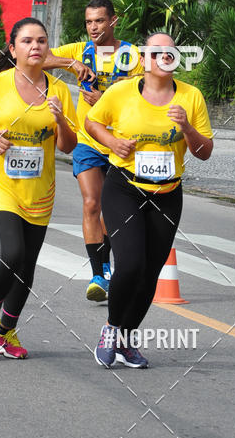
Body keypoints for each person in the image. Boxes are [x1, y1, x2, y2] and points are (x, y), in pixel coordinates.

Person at [85, 32, 213, 369]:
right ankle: (112, 329)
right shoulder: (121, 92)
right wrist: (112, 143)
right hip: (125, 188)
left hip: (168, 194)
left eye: (170, 51)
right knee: (130, 264)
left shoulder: (191, 97)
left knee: (150, 274)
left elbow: (204, 152)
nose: (164, 56)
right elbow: (92, 121)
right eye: (156, 52)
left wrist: (186, 127)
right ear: (144, 60)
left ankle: (127, 340)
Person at [0, 17, 78, 359]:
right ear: (13, 48)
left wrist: (61, 120)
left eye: (41, 40)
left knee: (26, 268)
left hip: (39, 192)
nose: (35, 46)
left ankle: (8, 331)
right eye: (27, 41)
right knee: (11, 253)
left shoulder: (60, 91)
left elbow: (68, 145)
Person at [43, 0, 142, 302]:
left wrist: (104, 102)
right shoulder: (80, 50)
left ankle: (109, 267)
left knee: (111, 213)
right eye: (89, 22)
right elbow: (36, 58)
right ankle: (98, 273)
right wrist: (70, 63)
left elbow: (141, 100)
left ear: (114, 20)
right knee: (90, 204)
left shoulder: (130, 55)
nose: (93, 27)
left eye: (99, 20)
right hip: (87, 139)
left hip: (119, 143)